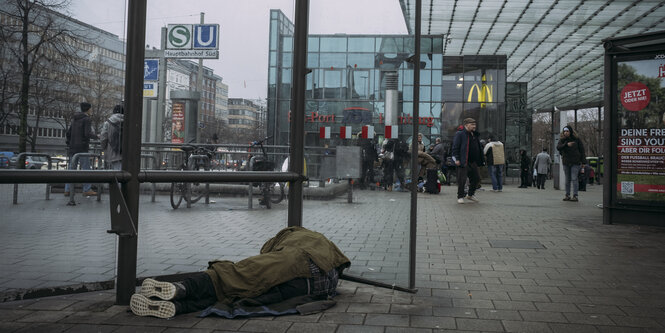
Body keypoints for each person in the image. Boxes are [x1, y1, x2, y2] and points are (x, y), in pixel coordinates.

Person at [130, 226, 350, 319]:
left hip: (300, 266)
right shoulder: (322, 242)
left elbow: (265, 252)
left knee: (234, 275)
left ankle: (183, 288)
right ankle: (178, 306)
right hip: (318, 287)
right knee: (241, 293)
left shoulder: (290, 238)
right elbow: (342, 262)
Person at [64, 102, 98, 196]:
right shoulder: (86, 119)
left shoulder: (75, 119)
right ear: (88, 109)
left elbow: (68, 133)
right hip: (82, 148)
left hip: (73, 147)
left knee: (71, 169)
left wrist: (70, 143)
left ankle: (67, 189)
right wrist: (97, 136)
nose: (91, 110)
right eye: (91, 109)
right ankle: (87, 189)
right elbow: (87, 133)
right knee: (86, 169)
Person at [452, 118, 484, 204]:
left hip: (473, 161)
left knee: (476, 178)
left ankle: (470, 195)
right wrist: (457, 159)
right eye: (472, 124)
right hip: (463, 161)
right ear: (466, 125)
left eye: (475, 124)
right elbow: (455, 147)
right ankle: (460, 196)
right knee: (461, 180)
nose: (474, 126)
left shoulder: (475, 134)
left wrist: (481, 160)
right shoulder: (460, 134)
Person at [557, 126, 586, 201]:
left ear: (570, 132)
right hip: (566, 162)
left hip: (575, 162)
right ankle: (567, 195)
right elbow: (558, 147)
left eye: (567, 131)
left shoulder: (576, 139)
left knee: (574, 178)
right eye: (564, 131)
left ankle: (575, 195)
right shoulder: (562, 140)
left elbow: (582, 150)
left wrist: (583, 162)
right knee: (567, 179)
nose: (566, 133)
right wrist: (566, 145)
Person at [100, 104, 124, 170]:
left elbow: (103, 138)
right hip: (125, 153)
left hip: (112, 151)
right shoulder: (128, 122)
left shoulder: (108, 123)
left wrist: (103, 147)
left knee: (113, 173)